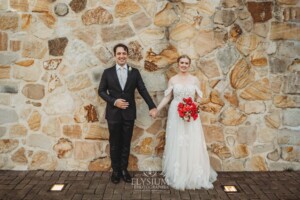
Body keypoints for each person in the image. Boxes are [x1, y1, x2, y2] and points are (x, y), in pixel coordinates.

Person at [151, 55, 217, 190]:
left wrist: (193, 107)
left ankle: (192, 173)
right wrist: (157, 109)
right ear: (178, 64)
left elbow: (199, 98)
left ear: (189, 65)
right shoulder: (173, 80)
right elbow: (167, 97)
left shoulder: (195, 80)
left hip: (191, 114)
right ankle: (178, 173)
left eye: (186, 63)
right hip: (176, 114)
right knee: (178, 141)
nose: (184, 65)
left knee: (192, 141)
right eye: (182, 62)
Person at [98, 43, 157, 184]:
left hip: (129, 114)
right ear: (115, 55)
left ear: (127, 55)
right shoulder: (108, 73)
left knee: (125, 143)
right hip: (113, 114)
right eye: (119, 54)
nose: (121, 56)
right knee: (114, 143)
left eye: (124, 53)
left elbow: (142, 90)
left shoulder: (134, 72)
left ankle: (124, 170)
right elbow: (101, 91)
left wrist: (152, 106)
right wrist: (114, 101)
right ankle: (116, 171)